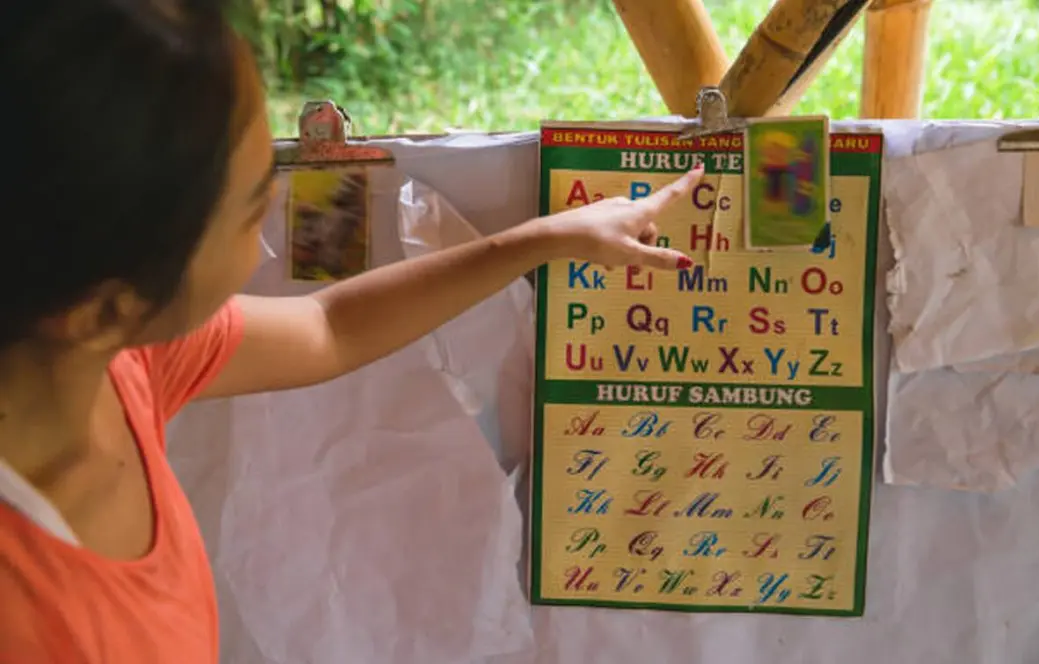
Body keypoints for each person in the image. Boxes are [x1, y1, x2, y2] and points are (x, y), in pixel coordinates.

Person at [0, 2, 699, 662]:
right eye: (253, 207)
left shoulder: (117, 359)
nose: (275, 212)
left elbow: (329, 326)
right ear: (106, 310)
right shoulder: (31, 618)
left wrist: (550, 237)